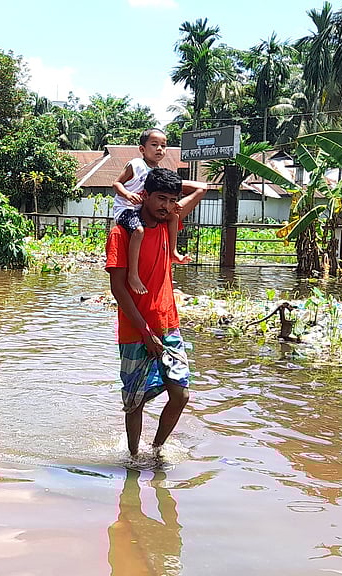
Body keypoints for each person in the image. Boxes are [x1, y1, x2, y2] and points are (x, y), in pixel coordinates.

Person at [106, 167, 207, 458]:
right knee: (134, 402)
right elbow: (119, 289)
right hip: (134, 331)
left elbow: (201, 190)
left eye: (172, 200)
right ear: (145, 196)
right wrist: (145, 333)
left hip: (168, 325)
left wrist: (175, 189)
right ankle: (134, 456)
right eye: (160, 198)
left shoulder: (168, 223)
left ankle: (157, 449)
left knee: (180, 394)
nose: (166, 206)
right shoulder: (121, 232)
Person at [113, 128, 187, 296]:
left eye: (163, 145)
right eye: (154, 145)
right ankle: (133, 274)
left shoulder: (157, 172)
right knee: (139, 231)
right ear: (142, 149)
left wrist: (171, 205)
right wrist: (127, 194)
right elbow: (116, 184)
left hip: (142, 209)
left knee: (173, 217)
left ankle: (174, 252)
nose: (159, 149)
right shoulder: (136, 165)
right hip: (127, 209)